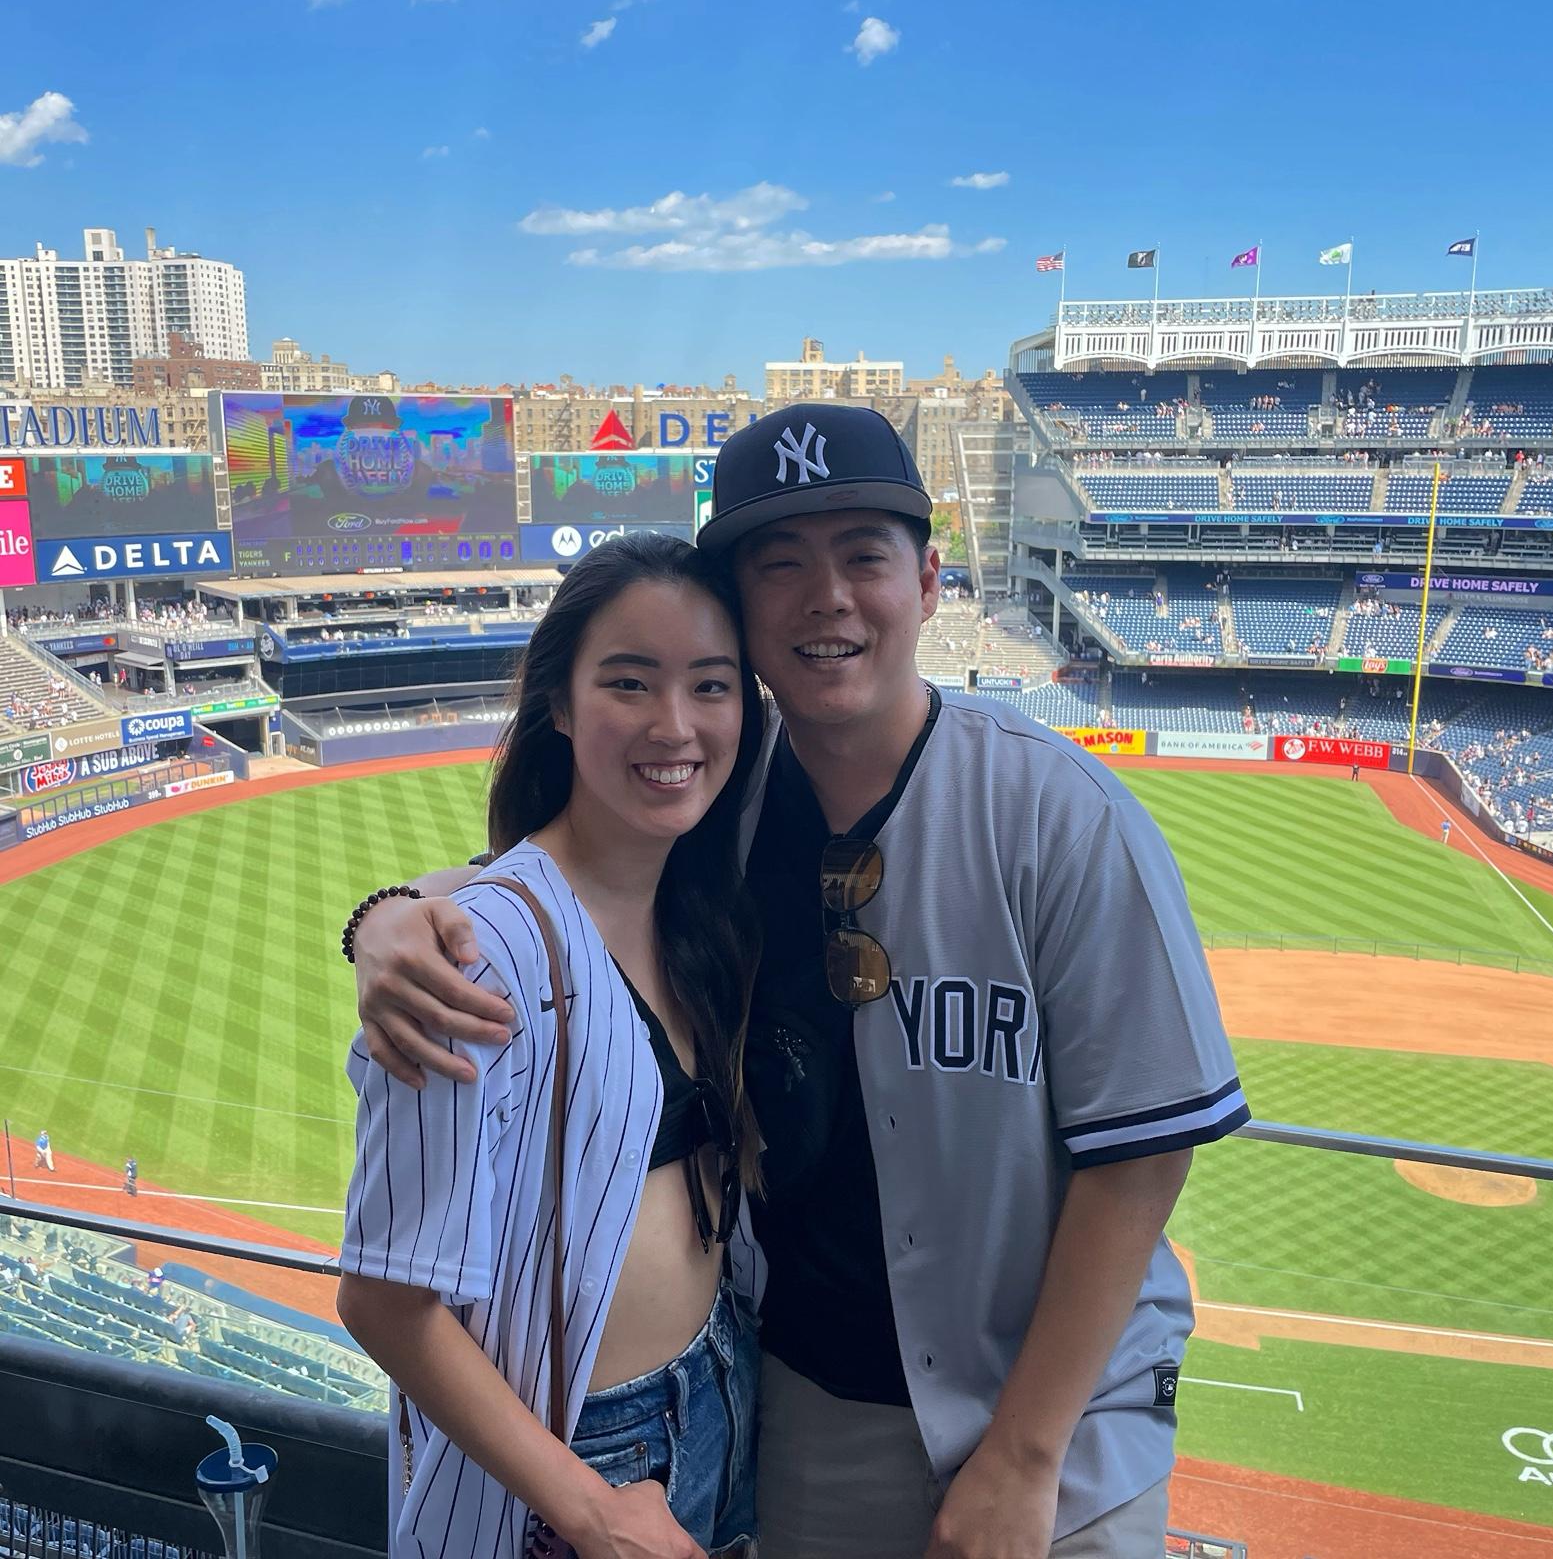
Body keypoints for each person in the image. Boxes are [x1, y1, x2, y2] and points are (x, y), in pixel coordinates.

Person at [352, 405, 1248, 1559]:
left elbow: (1143, 1151)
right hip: (804, 1406)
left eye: (863, 556)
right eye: (780, 564)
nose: (825, 596)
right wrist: (387, 921)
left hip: (1049, 1425)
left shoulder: (1067, 818)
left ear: (928, 583)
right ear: (741, 605)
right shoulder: (717, 808)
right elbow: (553, 891)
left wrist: (1025, 1459)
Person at [336, 534, 766, 1559]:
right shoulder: (476, 955)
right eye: (630, 682)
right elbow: (385, 1300)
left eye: (711, 685)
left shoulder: (700, 908)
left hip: (724, 1387)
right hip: (578, 1459)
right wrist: (589, 1509)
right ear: (560, 706)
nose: (675, 725)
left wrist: (387, 906)